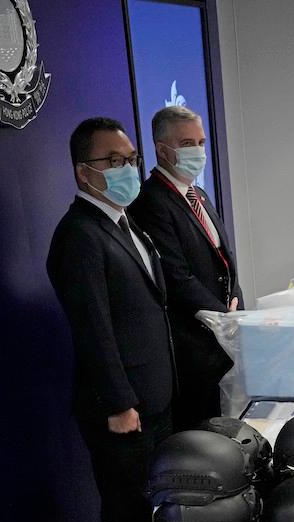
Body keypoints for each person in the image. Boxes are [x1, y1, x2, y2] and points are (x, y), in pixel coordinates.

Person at [47, 117, 174, 522]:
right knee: (129, 513)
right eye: (114, 161)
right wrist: (119, 404)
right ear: (84, 171)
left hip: (153, 397)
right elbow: (92, 327)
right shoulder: (79, 235)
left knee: (154, 504)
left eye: (132, 160)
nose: (127, 170)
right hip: (123, 409)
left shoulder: (123, 221)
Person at [129, 105, 242, 429]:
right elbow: (177, 278)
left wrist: (235, 300)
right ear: (163, 150)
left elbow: (223, 257)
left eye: (202, 142)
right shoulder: (151, 202)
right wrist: (222, 315)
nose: (199, 151)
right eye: (188, 143)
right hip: (193, 348)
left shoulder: (198, 194)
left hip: (221, 336)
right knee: (202, 433)